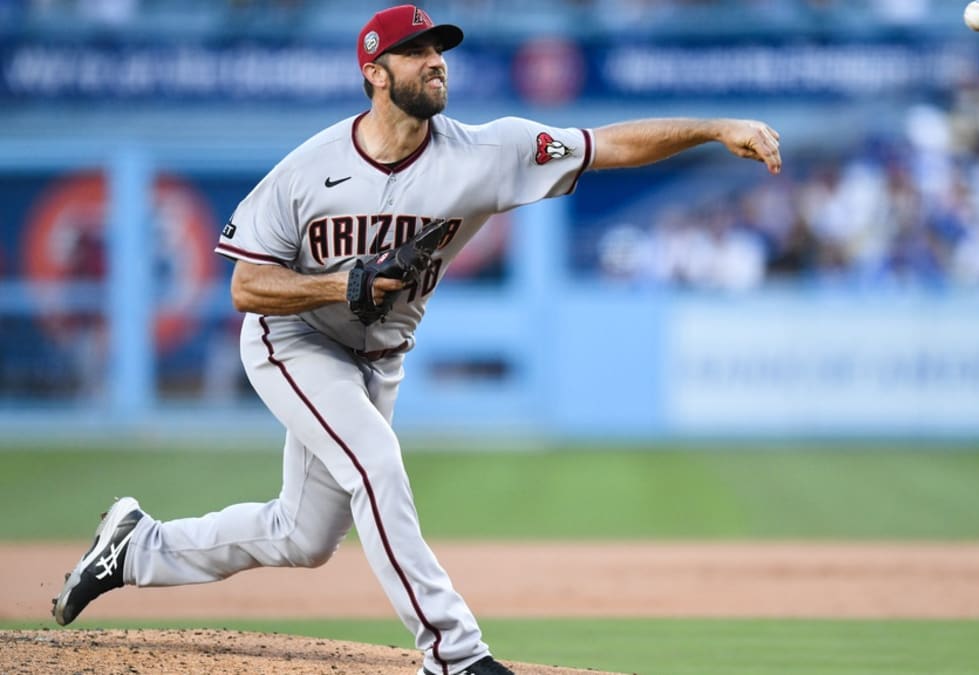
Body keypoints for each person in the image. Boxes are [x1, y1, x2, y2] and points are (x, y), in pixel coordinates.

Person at [51, 5, 781, 675]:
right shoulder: (309, 171)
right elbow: (247, 288)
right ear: (375, 74)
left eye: (439, 49)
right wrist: (341, 284)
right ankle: (455, 652)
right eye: (415, 51)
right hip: (294, 339)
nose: (436, 60)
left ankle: (136, 547)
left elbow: (608, 145)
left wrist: (717, 127)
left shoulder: (488, 151)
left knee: (303, 536)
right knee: (377, 463)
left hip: (377, 359)